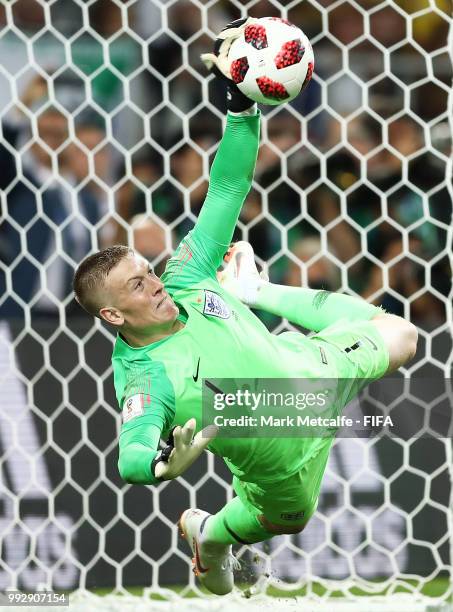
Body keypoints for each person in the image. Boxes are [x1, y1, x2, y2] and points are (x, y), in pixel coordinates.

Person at [72, 19, 418, 596]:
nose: (152, 285)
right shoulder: (147, 375)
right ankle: (211, 535)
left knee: (403, 335)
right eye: (135, 288)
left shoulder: (184, 275)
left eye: (145, 272)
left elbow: (228, 189)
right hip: (274, 451)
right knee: (288, 519)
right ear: (112, 315)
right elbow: (131, 455)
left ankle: (256, 292)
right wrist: (165, 466)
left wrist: (240, 109)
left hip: (311, 373)